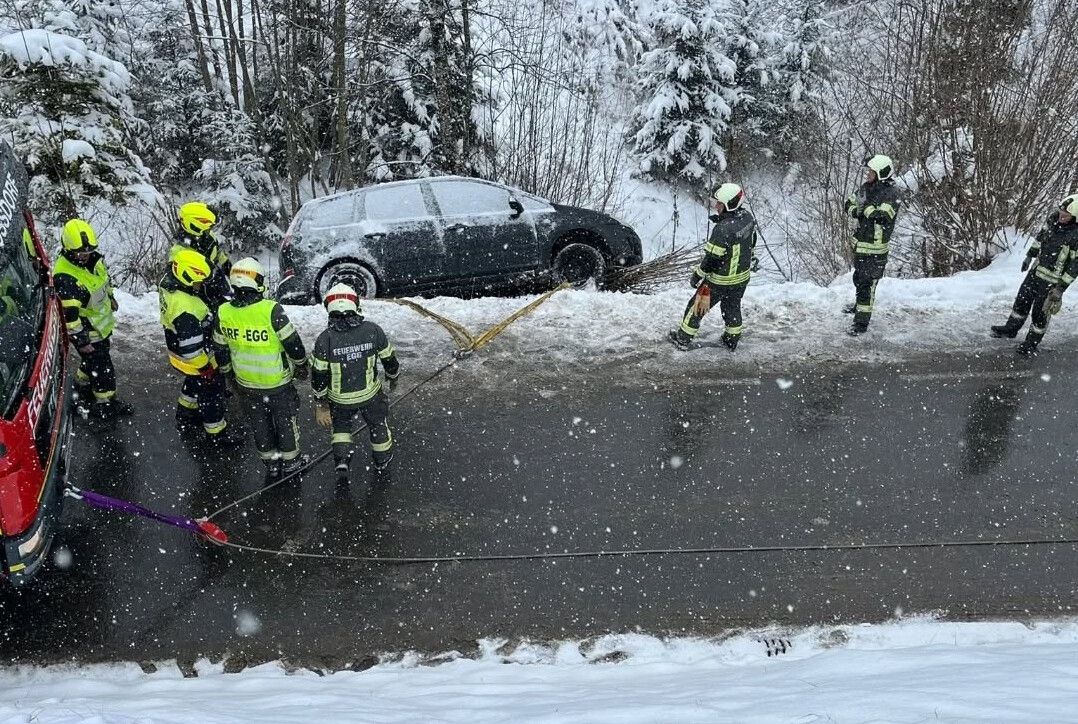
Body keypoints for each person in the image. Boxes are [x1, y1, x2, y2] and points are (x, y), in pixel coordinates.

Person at [213, 258, 310, 483]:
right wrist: (302, 365)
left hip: (246, 385)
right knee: (286, 423)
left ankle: (272, 464)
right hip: (277, 384)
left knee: (260, 426)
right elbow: (292, 343)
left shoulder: (224, 312)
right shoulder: (270, 310)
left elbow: (221, 349)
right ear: (257, 282)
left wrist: (229, 375)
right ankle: (292, 463)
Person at [311, 283, 400, 483]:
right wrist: (393, 376)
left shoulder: (325, 339)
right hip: (370, 395)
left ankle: (342, 460)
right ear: (355, 305)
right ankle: (382, 460)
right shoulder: (373, 330)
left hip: (340, 399)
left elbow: (318, 375)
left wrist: (321, 404)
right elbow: (389, 360)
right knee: (378, 425)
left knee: (341, 428)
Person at [158, 247, 244, 447]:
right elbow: (192, 348)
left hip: (179, 355)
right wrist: (206, 369)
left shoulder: (170, 282)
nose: (201, 285)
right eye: (198, 282)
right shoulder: (185, 309)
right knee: (212, 392)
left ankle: (185, 412)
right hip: (196, 357)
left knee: (193, 382)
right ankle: (216, 433)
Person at [53, 219, 133, 418]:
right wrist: (82, 340)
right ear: (69, 250)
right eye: (81, 253)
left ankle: (81, 385)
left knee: (94, 360)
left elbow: (103, 282)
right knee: (103, 366)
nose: (85, 255)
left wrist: (112, 297)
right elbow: (69, 317)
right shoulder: (65, 277)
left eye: (88, 251)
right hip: (89, 330)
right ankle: (105, 403)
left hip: (100, 325)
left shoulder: (94, 260)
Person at [668, 183, 758, 352]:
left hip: (719, 281)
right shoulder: (747, 218)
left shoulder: (722, 230)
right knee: (732, 307)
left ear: (730, 205)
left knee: (696, 308)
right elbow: (751, 241)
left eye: (720, 204)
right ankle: (731, 339)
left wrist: (697, 275)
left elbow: (712, 260)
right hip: (741, 279)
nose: (716, 206)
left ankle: (682, 339)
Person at [990, 193, 1078, 355]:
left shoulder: (1075, 236)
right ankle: (1011, 329)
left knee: (1040, 312)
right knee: (1022, 301)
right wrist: (1030, 255)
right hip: (1036, 272)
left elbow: (1075, 266)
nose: (1062, 217)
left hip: (1052, 281)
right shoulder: (1053, 222)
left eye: (1066, 215)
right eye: (1061, 213)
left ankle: (1031, 342)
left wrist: (1060, 289)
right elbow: (1039, 239)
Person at [843, 154, 901, 335]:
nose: (868, 174)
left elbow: (882, 216)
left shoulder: (891, 194)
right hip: (861, 245)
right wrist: (855, 210)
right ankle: (860, 307)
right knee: (859, 280)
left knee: (867, 285)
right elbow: (850, 203)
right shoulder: (866, 188)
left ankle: (860, 324)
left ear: (881, 174)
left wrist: (865, 209)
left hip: (875, 249)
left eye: (872, 172)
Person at [174, 201, 232, 307]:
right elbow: (187, 284)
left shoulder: (207, 237)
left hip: (217, 284)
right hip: (198, 296)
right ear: (195, 225)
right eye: (208, 226)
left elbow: (218, 253)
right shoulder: (181, 252)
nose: (210, 230)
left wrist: (230, 270)